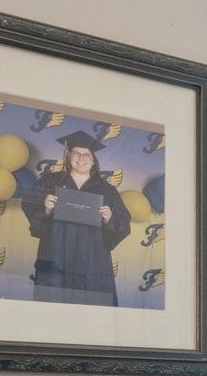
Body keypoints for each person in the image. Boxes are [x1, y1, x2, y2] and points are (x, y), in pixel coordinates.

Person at [23, 128, 131, 306]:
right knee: (52, 311)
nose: (82, 158)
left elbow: (124, 224)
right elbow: (29, 207)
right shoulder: (50, 182)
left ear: (93, 160)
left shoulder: (107, 190)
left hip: (92, 260)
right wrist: (46, 210)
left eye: (87, 154)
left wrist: (109, 218)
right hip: (56, 255)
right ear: (68, 156)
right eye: (77, 153)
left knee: (92, 314)